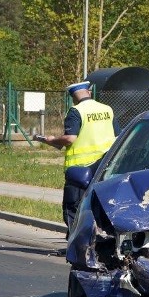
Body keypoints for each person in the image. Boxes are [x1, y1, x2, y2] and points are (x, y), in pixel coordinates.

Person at [36, 81, 118, 232]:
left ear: (73, 96)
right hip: (105, 166)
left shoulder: (76, 111)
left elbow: (70, 138)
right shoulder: (107, 109)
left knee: (73, 207)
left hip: (80, 170)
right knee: (100, 205)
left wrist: (52, 140)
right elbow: (117, 136)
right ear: (89, 92)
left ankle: (75, 244)